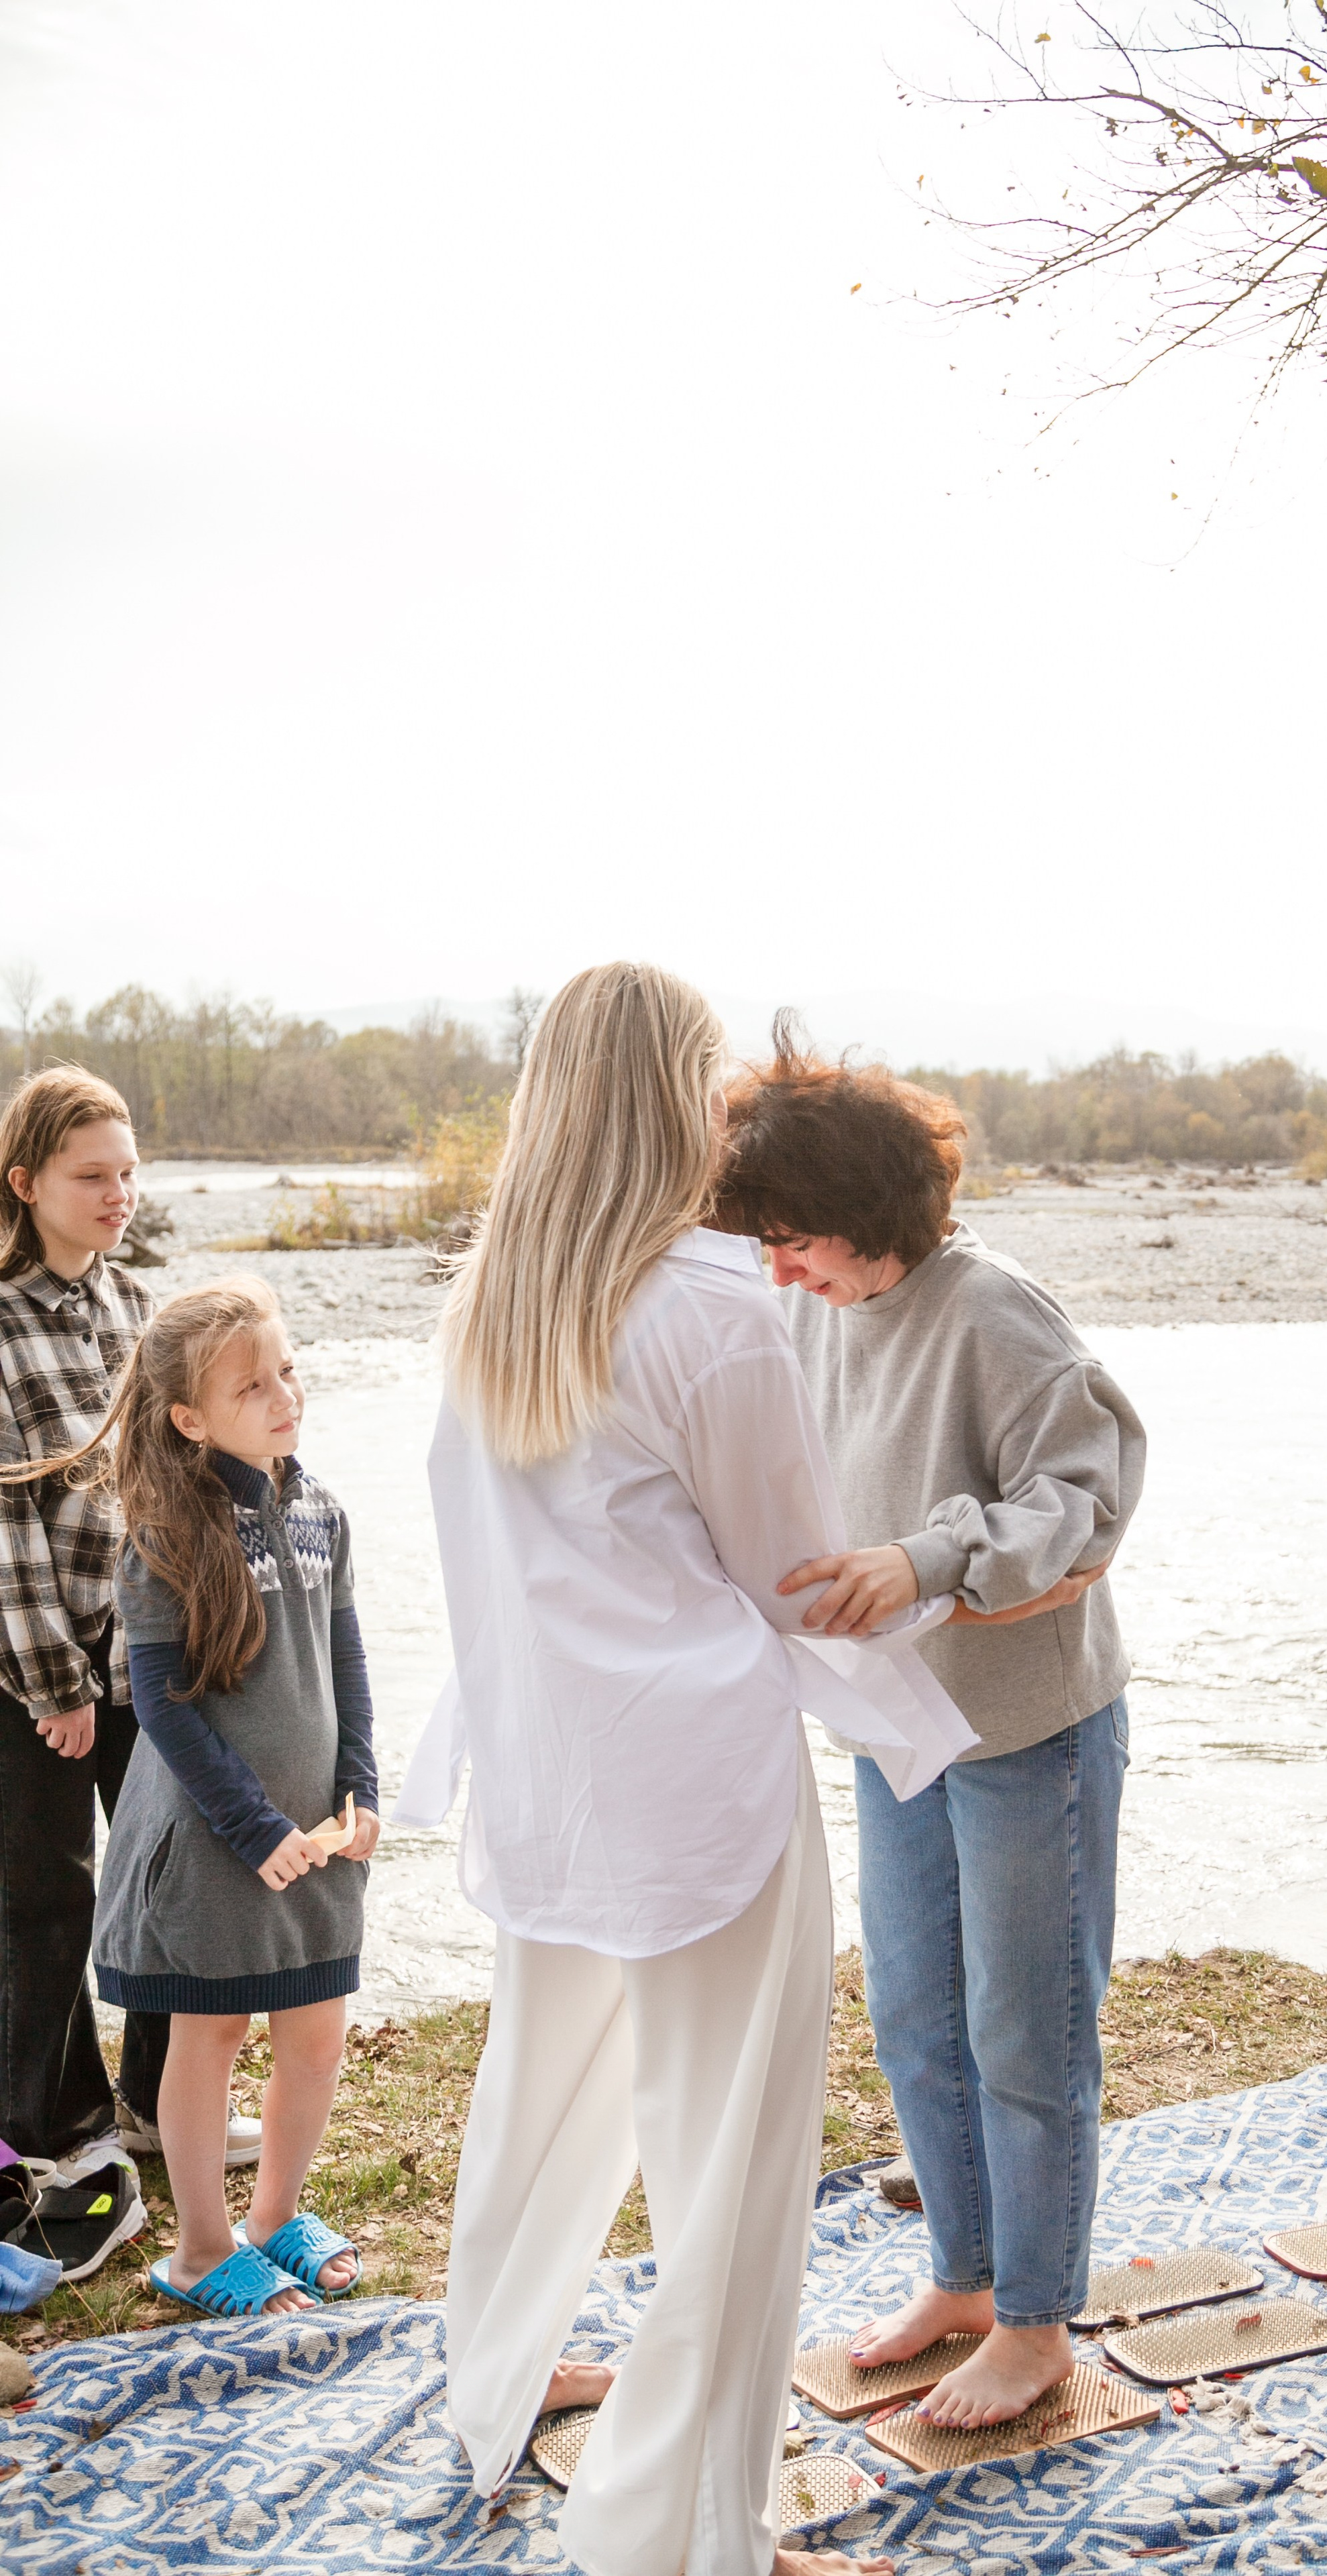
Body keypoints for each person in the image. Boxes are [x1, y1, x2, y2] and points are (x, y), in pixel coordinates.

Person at [407, 962, 970, 2576]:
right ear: (678, 1099)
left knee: (536, 2097)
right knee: (727, 2166)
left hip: (546, 1769)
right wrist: (943, 1638)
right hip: (694, 1786)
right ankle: (692, 2532)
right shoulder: (712, 1306)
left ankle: (496, 2385)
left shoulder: (491, 1295)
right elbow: (795, 1577)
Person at [717, 1021, 1147, 2432]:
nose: (778, 1270)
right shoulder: (808, 1306)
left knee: (1026, 2031)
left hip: (1028, 1732)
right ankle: (964, 2282)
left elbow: (1086, 1498)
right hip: (894, 1727)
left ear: (862, 1211)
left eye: (793, 1240)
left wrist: (925, 1562)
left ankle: (1035, 2325)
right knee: (913, 2017)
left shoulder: (997, 1314)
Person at [8, 1277, 380, 2316]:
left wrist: (362, 1786)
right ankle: (201, 2250)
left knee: (316, 2034)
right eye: (251, 1386)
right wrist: (255, 1828)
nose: (283, 1395)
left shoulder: (323, 1512)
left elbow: (347, 1663)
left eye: (287, 1371)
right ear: (188, 1418)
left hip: (316, 1835)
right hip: (216, 1840)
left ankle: (273, 2218)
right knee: (207, 2037)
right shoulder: (163, 1537)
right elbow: (163, 1710)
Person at [0, 1069, 255, 2288]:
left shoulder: (141, 1307)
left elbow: (173, 1484)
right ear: (25, 1184)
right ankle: (62, 2133)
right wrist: (54, 1682)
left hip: (141, 1653)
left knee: (165, 1878)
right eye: (91, 1175)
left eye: (129, 1172)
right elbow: (6, 1528)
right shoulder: (3, 1324)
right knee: (48, 1902)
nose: (118, 1194)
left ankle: (159, 2102)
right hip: (31, 1670)